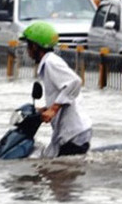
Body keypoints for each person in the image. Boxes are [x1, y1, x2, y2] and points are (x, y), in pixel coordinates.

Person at [20, 21, 92, 158]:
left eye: (28, 46)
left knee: (59, 176)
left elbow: (75, 82)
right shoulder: (48, 63)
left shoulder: (50, 62)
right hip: (71, 132)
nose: (27, 51)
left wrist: (53, 109)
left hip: (74, 133)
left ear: (35, 46)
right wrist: (44, 109)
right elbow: (61, 92)